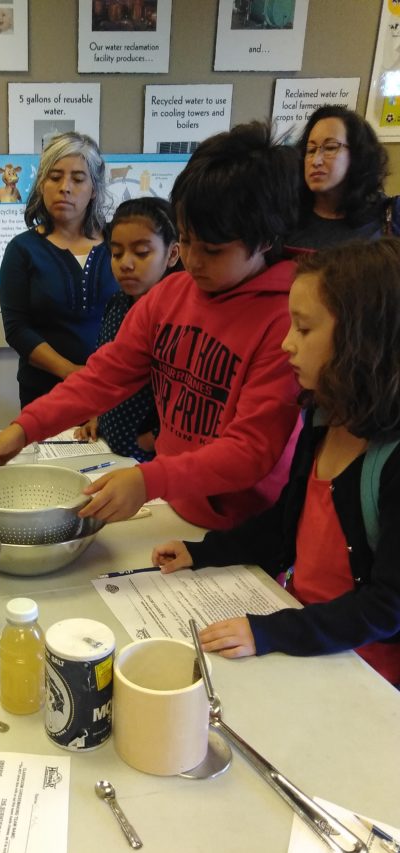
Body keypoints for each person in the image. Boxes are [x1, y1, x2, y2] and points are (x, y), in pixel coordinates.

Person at [0, 122, 301, 532]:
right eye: (187, 241)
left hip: (243, 530)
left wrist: (149, 479)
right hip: (174, 505)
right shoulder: (170, 297)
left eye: (213, 250)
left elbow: (252, 450)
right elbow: (103, 376)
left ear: (265, 239)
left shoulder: (287, 320)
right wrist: (26, 428)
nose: (193, 261)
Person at [152, 239, 400, 686]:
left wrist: (270, 631)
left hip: (362, 667)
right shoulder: (324, 417)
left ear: (363, 339)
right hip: (306, 631)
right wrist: (204, 552)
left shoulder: (392, 461)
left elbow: (386, 607)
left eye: (304, 330)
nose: (286, 344)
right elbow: (288, 519)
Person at [0, 131, 117, 407]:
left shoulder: (119, 243)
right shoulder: (22, 250)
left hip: (113, 391)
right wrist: (71, 372)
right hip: (44, 394)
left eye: (78, 179)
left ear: (94, 188)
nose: (65, 187)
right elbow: (17, 329)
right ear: (42, 184)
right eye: (55, 177)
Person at [73, 196, 180, 461]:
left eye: (142, 253)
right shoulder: (117, 304)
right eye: (117, 253)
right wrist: (96, 416)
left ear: (173, 254)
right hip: (108, 450)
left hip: (151, 460)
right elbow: (105, 371)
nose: (125, 264)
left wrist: (153, 436)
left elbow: (179, 395)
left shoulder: (177, 316)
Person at [286, 105, 399, 253]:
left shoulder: (390, 215)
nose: (316, 161)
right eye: (311, 150)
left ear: (358, 155)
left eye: (330, 148)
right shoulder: (286, 216)